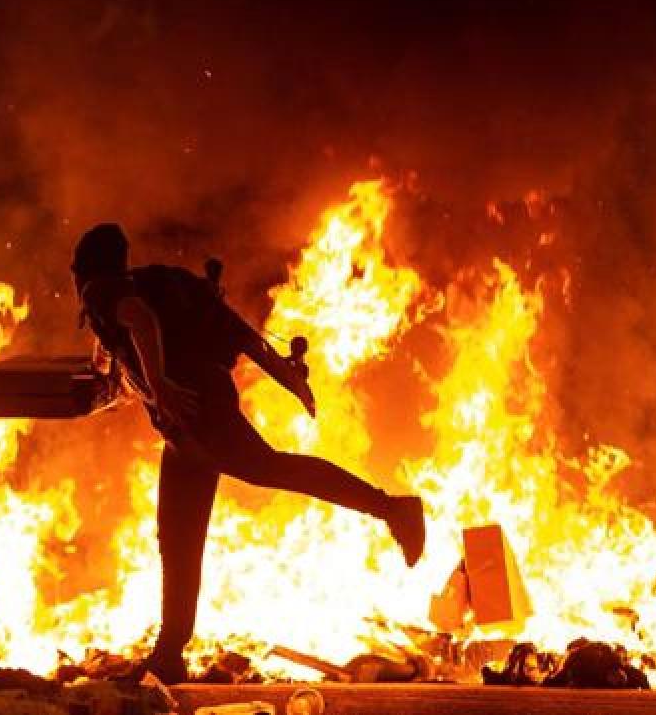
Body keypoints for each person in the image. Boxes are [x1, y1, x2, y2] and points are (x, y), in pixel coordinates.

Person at [71, 223, 426, 685]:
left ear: (83, 270)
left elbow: (139, 319)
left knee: (267, 470)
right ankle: (169, 654)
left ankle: (393, 508)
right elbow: (244, 336)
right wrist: (290, 380)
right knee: (177, 535)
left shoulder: (106, 291)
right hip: (189, 429)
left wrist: (159, 384)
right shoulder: (162, 291)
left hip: (200, 419)